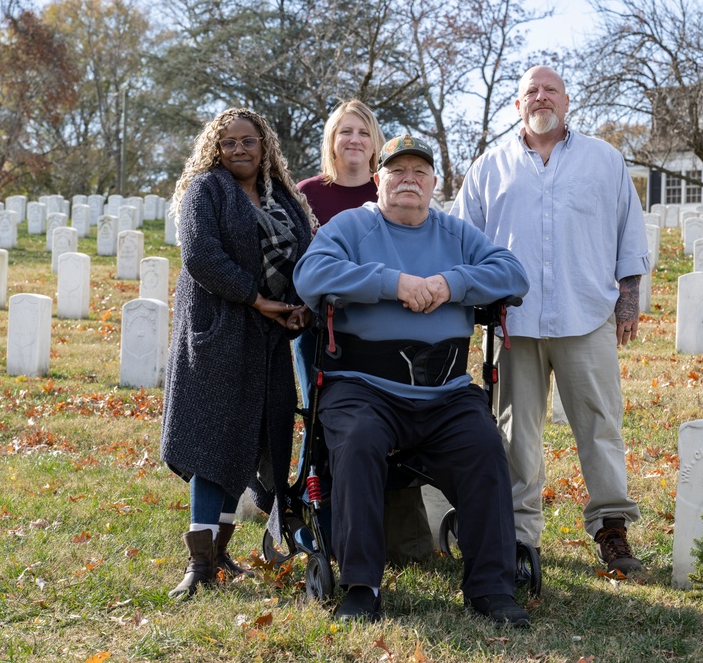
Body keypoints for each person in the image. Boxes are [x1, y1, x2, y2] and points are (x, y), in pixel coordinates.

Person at [294, 135, 531, 625]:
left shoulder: (456, 233)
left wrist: (451, 285)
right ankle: (361, 585)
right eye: (397, 171)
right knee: (357, 442)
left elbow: (512, 273)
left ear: (433, 183)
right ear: (378, 181)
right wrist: (392, 283)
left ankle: (491, 587)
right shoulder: (353, 225)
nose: (408, 180)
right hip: (363, 384)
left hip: (444, 389)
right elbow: (311, 274)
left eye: (419, 173)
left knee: (486, 446)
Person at [452, 65, 651, 576]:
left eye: (550, 89)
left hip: (586, 315)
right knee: (517, 434)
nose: (541, 97)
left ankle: (612, 529)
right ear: (517, 106)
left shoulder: (603, 160)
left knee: (601, 426)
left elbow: (629, 232)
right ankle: (520, 538)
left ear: (567, 101)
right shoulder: (488, 168)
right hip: (513, 324)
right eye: (530, 92)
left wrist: (627, 300)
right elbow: (459, 242)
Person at [161, 108, 314, 600]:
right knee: (211, 441)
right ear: (216, 148)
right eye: (228, 143)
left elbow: (306, 256)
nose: (239, 150)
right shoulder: (206, 189)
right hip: (218, 331)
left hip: (267, 336)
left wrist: (297, 306)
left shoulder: (286, 198)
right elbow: (200, 254)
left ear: (264, 145)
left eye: (248, 141)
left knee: (247, 440)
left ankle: (220, 552)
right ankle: (198, 562)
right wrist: (256, 297)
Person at [294, 100, 434, 564]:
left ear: (376, 146)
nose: (353, 140)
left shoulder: (392, 196)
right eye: (344, 131)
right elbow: (301, 267)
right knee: (321, 427)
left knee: (387, 428)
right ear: (331, 141)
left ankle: (400, 532)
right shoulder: (304, 195)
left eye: (363, 132)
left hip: (388, 333)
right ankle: (320, 523)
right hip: (319, 330)